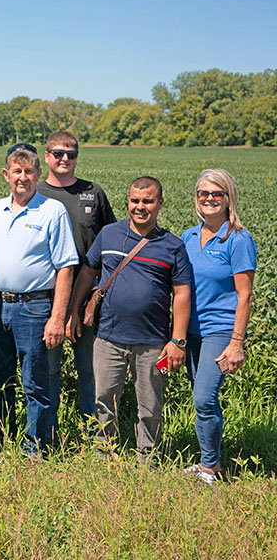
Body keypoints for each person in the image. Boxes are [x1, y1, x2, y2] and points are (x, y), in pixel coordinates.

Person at [68, 177, 193, 460]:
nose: (140, 207)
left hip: (154, 343)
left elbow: (182, 295)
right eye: (135, 200)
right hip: (108, 337)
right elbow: (88, 273)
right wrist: (75, 310)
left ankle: (148, 457)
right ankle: (104, 453)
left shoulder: (172, 246)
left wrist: (177, 340)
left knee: (150, 404)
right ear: (127, 201)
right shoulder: (109, 234)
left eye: (148, 201)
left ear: (160, 203)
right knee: (103, 399)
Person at [0, 143, 78, 455]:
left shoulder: (52, 210)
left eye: (28, 171)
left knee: (35, 381)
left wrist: (57, 317)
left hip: (35, 307)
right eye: (16, 171)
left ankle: (35, 447)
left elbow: (65, 266)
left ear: (38, 174)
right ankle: (0, 439)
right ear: (5, 175)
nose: (22, 177)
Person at [180, 169, 256, 484]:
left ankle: (209, 469)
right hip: (190, 331)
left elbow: (245, 295)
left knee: (203, 397)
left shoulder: (238, 239)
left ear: (228, 198)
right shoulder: (188, 236)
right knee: (203, 397)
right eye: (204, 194)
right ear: (197, 198)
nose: (210, 199)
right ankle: (209, 462)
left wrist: (237, 342)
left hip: (220, 330)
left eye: (217, 194)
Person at [37, 131, 116, 428]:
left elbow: (111, 240)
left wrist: (101, 290)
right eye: (58, 153)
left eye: (71, 154)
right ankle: (49, 432)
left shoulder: (93, 192)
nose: (64, 159)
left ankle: (94, 434)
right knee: (49, 370)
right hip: (46, 297)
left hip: (88, 298)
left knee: (91, 370)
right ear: (47, 156)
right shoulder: (36, 192)